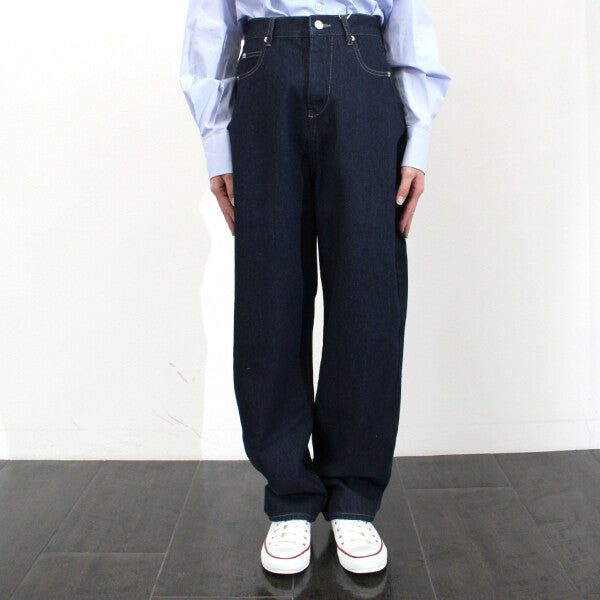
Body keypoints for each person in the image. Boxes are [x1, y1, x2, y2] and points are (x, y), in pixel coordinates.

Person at [179, 0, 451, 575]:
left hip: (363, 68)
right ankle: (289, 496)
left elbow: (407, 17)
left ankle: (353, 495)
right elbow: (210, 22)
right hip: (265, 69)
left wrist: (420, 137)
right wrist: (216, 141)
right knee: (269, 294)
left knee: (368, 293)